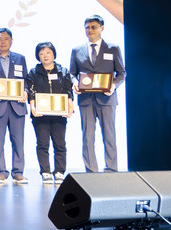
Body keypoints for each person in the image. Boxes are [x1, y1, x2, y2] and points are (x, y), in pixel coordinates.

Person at [70, 14, 126, 172]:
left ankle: (112, 168)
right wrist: (74, 82)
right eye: (87, 27)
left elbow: (121, 73)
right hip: (86, 99)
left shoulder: (113, 48)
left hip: (107, 99)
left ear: (102, 28)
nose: (90, 30)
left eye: (93, 27)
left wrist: (113, 86)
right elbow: (72, 73)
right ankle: (91, 170)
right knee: (87, 136)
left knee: (109, 135)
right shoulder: (77, 50)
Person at [0, 28, 29, 185]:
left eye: (6, 39)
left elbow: (26, 80)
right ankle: (1, 172)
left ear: (12, 41)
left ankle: (18, 172)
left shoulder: (20, 58)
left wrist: (25, 92)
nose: (3, 42)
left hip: (17, 106)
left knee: (18, 141)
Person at [26, 42, 74, 184]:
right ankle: (45, 172)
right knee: (42, 143)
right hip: (40, 115)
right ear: (38, 56)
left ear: (53, 54)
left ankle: (59, 171)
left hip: (59, 114)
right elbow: (31, 91)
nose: (45, 56)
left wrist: (70, 107)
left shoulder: (62, 71)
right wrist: (33, 107)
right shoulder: (34, 72)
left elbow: (68, 90)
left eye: (48, 52)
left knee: (60, 143)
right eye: (41, 53)